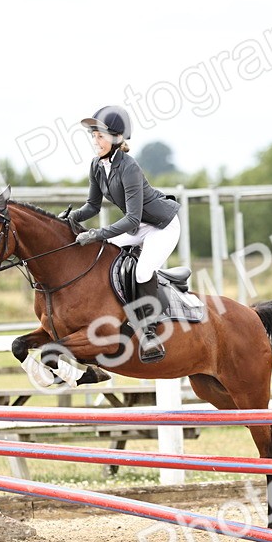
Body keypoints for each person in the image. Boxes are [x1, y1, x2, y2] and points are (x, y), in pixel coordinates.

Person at [67, 105, 181, 362]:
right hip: (140, 226)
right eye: (94, 136)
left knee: (142, 271)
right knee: (101, 253)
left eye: (101, 136)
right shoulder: (97, 165)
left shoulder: (129, 167)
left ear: (117, 138)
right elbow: (92, 206)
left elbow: (131, 219)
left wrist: (97, 233)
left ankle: (149, 333)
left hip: (162, 226)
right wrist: (72, 217)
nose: (96, 141)